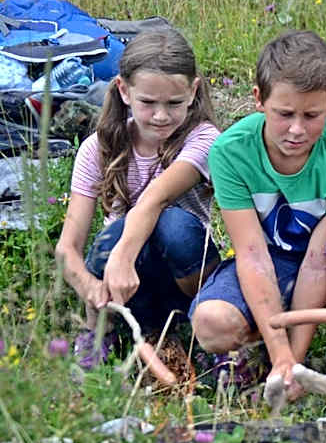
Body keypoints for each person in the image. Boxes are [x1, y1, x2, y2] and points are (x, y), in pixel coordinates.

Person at [189, 30, 326, 414]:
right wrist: (281, 357)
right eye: (284, 114)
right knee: (211, 322)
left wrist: (296, 362)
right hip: (273, 259)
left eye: (311, 115)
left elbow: (317, 261)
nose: (297, 130)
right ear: (259, 99)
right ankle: (261, 352)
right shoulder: (229, 152)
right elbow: (252, 255)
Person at [55, 28, 220, 369]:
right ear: (124, 91)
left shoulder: (204, 139)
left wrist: (121, 256)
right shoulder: (97, 148)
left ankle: (203, 328)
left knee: (171, 223)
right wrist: (88, 285)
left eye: (174, 103)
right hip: (122, 287)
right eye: (148, 102)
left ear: (193, 91)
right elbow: (67, 248)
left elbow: (154, 200)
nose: (161, 116)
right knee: (108, 239)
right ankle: (98, 331)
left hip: (183, 281)